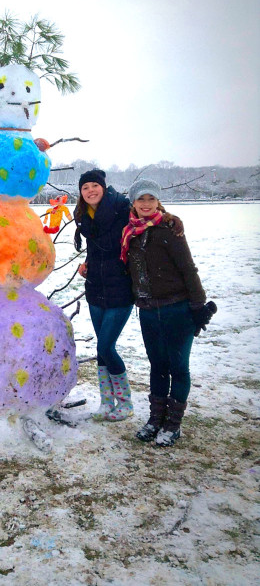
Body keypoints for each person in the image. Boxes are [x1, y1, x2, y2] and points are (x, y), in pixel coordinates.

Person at [121, 179, 216, 447]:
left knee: (178, 367)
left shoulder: (169, 230)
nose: (146, 204)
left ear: (158, 201)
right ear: (134, 203)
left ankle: (173, 424)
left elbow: (189, 269)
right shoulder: (131, 232)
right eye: (141, 199)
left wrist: (198, 308)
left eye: (151, 199)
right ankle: (155, 420)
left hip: (177, 309)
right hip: (149, 312)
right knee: (158, 366)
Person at [74, 169, 135, 421]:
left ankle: (125, 402)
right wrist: (87, 263)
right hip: (96, 287)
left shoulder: (121, 207)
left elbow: (146, 218)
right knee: (102, 349)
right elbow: (97, 247)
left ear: (103, 187)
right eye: (85, 187)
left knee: (106, 346)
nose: (90, 190)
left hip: (120, 287)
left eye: (94, 185)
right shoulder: (85, 215)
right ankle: (106, 401)